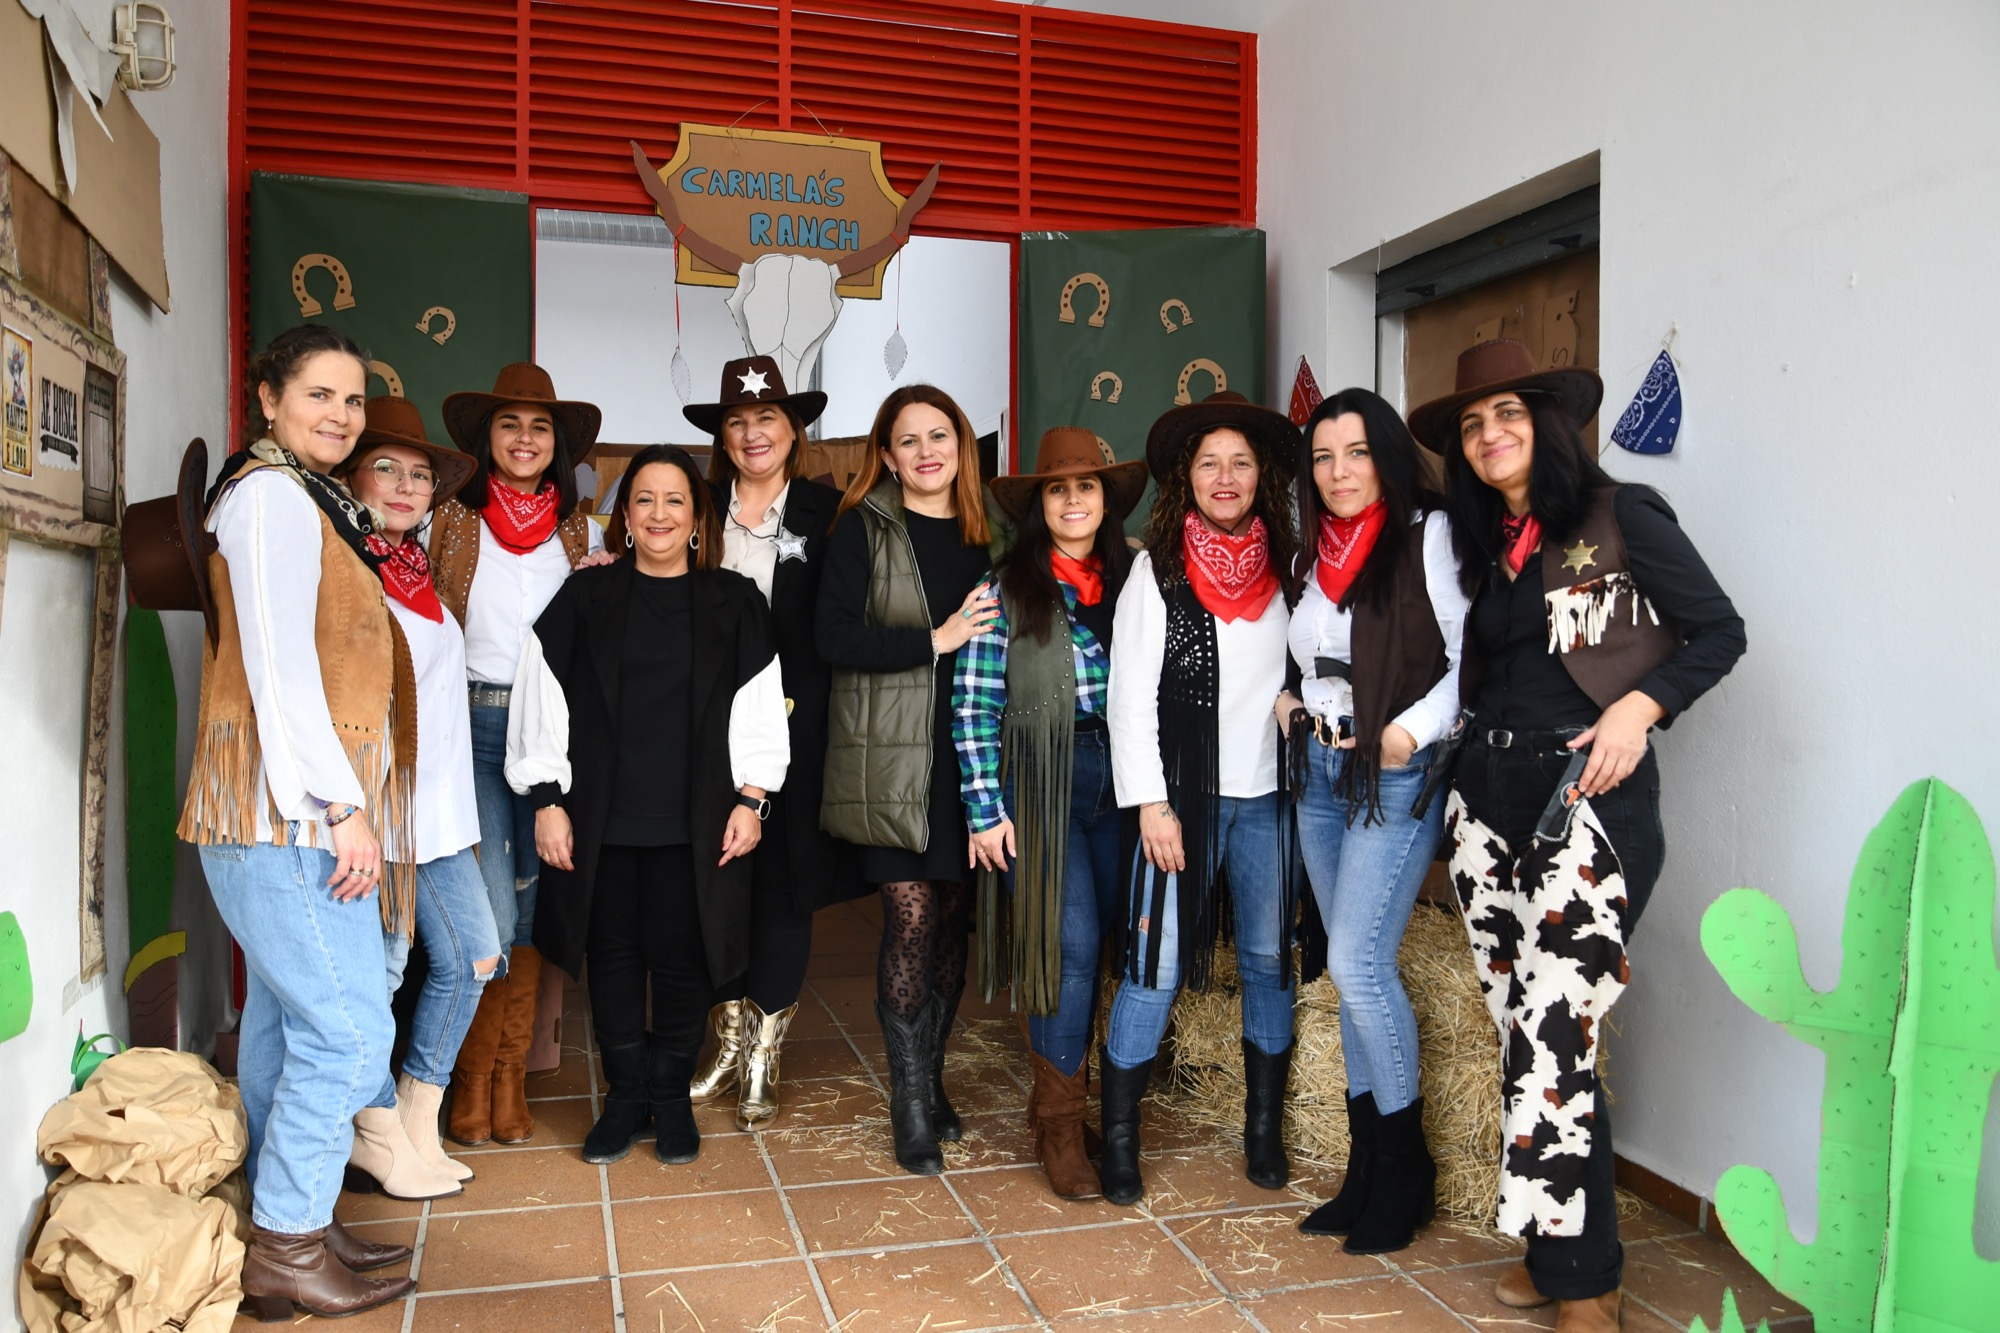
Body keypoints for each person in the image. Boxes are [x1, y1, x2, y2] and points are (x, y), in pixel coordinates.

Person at [1411, 339, 1746, 1333]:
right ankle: (1555, 1249)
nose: (1488, 434)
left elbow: (1718, 631)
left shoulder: (1621, 513)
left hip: (1587, 801)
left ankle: (1585, 1278)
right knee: (1526, 1031)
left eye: (1507, 413)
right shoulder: (1484, 547)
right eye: (1472, 424)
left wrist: (1640, 707)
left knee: (1558, 1028)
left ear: (1548, 422)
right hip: (1487, 802)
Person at [179, 325, 417, 1318]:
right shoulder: (270, 496)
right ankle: (285, 1240)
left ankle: (294, 1224)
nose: (341, 414)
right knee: (351, 1031)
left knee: (287, 1023)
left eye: (353, 400)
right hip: (286, 815)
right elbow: (279, 671)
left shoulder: (307, 498)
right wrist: (341, 805)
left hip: (288, 814)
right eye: (319, 393)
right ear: (268, 398)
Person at [505, 445, 790, 1167]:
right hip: (601, 820)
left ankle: (670, 1098)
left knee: (683, 961)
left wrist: (753, 797)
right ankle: (625, 1097)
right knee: (614, 960)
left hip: (697, 822)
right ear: (624, 516)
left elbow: (761, 705)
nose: (659, 514)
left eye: (674, 500)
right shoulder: (586, 597)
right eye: (644, 499)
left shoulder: (734, 603)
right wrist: (547, 800)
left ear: (697, 519)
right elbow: (542, 694)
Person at [1274, 389, 1468, 1255]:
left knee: (1357, 960)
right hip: (1319, 771)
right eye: (1323, 456)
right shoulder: (1312, 552)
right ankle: (1364, 1170)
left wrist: (1409, 730)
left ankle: (1405, 1169)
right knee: (1346, 970)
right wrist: (1290, 700)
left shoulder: (1428, 536)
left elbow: (1468, 657)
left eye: (1355, 452)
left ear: (1385, 456)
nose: (1338, 471)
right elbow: (1308, 654)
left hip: (1392, 774)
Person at [1101, 391, 1303, 1206]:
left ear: (1261, 477)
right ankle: (1120, 1136)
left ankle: (1264, 1127)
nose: (1226, 477)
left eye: (1241, 463)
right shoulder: (1156, 574)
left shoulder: (1292, 571)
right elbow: (1128, 698)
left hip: (1270, 800)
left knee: (1268, 961)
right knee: (1153, 966)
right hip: (1182, 801)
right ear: (1187, 477)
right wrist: (1151, 803)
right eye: (1210, 462)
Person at [817, 384, 1005, 1176]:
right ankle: (910, 1105)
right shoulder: (863, 527)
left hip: (969, 756)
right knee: (913, 917)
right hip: (890, 759)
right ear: (887, 457)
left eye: (940, 436)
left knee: (954, 921)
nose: (927, 452)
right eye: (909, 440)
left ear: (961, 446)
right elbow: (832, 636)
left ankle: (931, 1076)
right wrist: (936, 637)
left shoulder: (992, 531)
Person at [953, 427, 1144, 1201]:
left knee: (1108, 946)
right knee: (1065, 944)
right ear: (1039, 505)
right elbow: (973, 705)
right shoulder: (1004, 588)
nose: (1072, 500)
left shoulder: (1137, 580)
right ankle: (1061, 1128)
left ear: (1105, 500)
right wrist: (984, 808)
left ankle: (1062, 1098)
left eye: (1085, 486)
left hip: (1124, 780)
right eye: (1057, 489)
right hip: (1039, 782)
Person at [685, 357, 864, 1131]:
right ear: (722, 436)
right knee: (714, 880)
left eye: (767, 418)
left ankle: (764, 1053)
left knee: (787, 885)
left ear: (793, 430)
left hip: (798, 726)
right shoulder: (696, 508)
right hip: (702, 730)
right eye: (737, 421)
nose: (753, 433)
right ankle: (725, 1040)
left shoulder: (831, 512)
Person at [432, 363, 607, 1149]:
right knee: (494, 913)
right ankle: (472, 1077)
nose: (526, 438)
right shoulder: (449, 521)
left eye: (540, 427)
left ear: (557, 444)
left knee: (536, 909)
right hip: (472, 724)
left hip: (551, 733)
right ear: (486, 438)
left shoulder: (583, 534)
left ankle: (509, 1075)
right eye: (510, 424)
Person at [335, 397, 499, 1199]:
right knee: (385, 970)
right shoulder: (348, 569)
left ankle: (416, 1113)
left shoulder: (414, 567)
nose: (405, 486)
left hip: (439, 810)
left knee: (475, 955)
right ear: (352, 477)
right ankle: (374, 1132)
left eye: (419, 474)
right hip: (383, 810)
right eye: (386, 468)